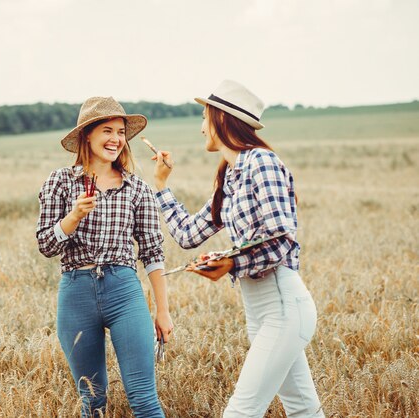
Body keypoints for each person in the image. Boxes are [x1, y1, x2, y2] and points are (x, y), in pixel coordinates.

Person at [152, 80, 324, 417]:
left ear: (220, 119)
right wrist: (161, 185)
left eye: (204, 117)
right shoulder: (229, 176)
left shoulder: (262, 162)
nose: (201, 128)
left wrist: (231, 263)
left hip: (283, 306)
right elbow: (187, 234)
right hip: (259, 310)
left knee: (242, 410)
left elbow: (281, 238)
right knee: (302, 408)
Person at [37, 96, 174, 417]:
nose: (115, 139)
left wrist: (163, 311)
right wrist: (73, 217)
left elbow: (153, 254)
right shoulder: (60, 182)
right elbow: (46, 245)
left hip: (123, 291)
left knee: (143, 397)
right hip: (76, 293)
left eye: (121, 132)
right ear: (87, 135)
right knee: (93, 401)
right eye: (107, 131)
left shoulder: (137, 189)